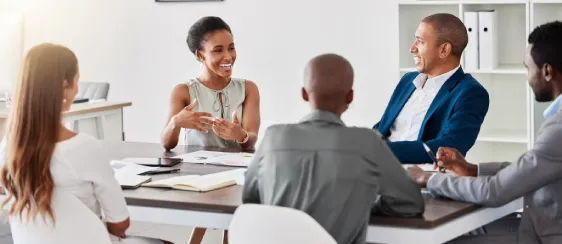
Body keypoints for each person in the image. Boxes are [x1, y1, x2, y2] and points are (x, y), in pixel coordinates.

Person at [243, 53, 424, 244]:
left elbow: (251, 199)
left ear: (304, 94)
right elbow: (410, 202)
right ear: (350, 97)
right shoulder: (367, 142)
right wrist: (362, 205)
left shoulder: (273, 137)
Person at [407, 21, 562, 244]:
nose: (527, 77)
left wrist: (428, 179)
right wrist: (472, 169)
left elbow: (495, 191)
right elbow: (529, 168)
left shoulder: (558, 128)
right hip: (538, 223)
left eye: (528, 68)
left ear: (547, 71)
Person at [0, 43, 169, 244]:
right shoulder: (84, 147)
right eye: (77, 81)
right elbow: (120, 224)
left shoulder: (8, 147)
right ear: (65, 86)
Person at [160, 16, 260, 244]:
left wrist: (240, 135)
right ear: (200, 55)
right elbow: (167, 144)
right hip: (198, 172)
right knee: (212, 204)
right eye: (218, 50)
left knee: (232, 213)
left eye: (231, 48)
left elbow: (251, 140)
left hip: (239, 172)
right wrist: (176, 122)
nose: (228, 57)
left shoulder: (248, 89)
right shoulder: (183, 91)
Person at [373, 13, 489, 164]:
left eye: (420, 41)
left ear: (444, 50)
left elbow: (450, 146)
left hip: (418, 177)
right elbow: (383, 127)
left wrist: (380, 151)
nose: (412, 48)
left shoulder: (470, 93)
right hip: (377, 169)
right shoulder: (408, 80)